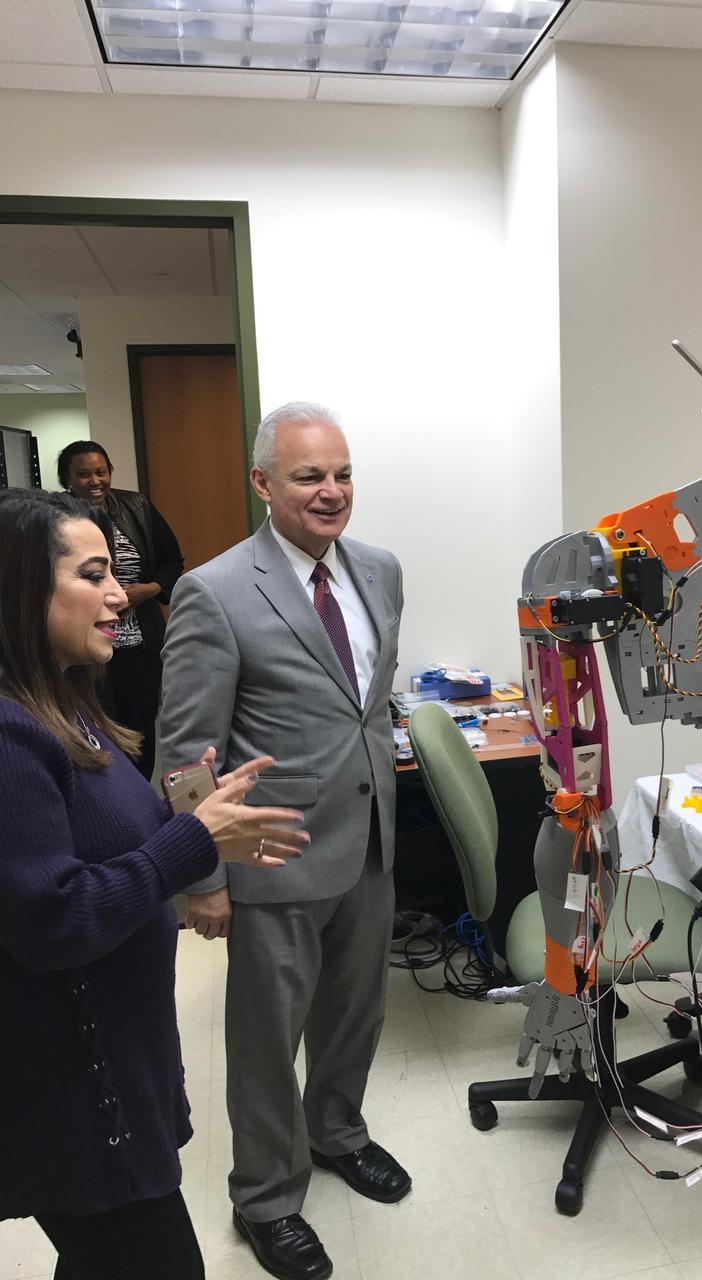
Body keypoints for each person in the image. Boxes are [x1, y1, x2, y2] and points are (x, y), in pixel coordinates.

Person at [0, 488, 309, 1280]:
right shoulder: (10, 737)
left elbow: (109, 839)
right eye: (91, 575)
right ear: (21, 588)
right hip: (76, 1094)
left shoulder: (66, 703)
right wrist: (190, 844)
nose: (119, 595)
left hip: (117, 1060)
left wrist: (193, 816)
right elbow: (56, 920)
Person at [159, 402, 408, 1280]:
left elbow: (364, 701)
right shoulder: (216, 590)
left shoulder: (380, 571)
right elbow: (186, 749)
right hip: (272, 853)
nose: (331, 491)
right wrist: (202, 875)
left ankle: (337, 1131)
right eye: (309, 477)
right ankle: (265, 1197)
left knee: (355, 1013)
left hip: (369, 839)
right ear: (263, 483)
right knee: (268, 1041)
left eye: (342, 474)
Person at [58, 439, 185, 780]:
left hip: (140, 644)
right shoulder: (57, 518)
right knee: (97, 729)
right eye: (84, 474)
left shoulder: (136, 506)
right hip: (88, 649)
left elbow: (173, 561)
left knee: (142, 728)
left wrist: (151, 590)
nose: (95, 481)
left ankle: (140, 795)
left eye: (101, 472)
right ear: (67, 478)